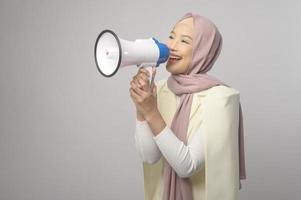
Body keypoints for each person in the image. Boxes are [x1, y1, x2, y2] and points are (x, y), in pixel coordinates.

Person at [129, 12, 246, 200]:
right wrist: (141, 107)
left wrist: (151, 112)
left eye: (184, 41)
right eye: (171, 36)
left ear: (203, 50)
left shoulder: (223, 99)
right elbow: (149, 157)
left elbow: (187, 166)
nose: (171, 46)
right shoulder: (159, 89)